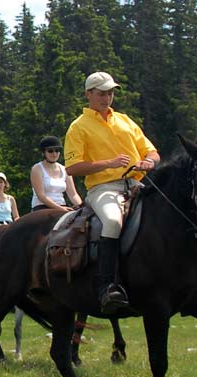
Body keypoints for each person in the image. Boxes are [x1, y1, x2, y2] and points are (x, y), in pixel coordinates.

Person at [63, 71, 159, 313]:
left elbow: (152, 151)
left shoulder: (125, 120)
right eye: (101, 93)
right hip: (103, 188)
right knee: (113, 222)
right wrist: (108, 163)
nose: (107, 97)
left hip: (136, 185)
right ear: (88, 94)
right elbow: (73, 168)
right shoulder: (79, 127)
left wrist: (148, 162)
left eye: (111, 92)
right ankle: (106, 286)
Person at [30, 136, 83, 213]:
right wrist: (60, 209)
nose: (54, 154)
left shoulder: (65, 169)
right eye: (50, 151)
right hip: (42, 207)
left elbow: (73, 194)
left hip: (62, 206)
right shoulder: (37, 169)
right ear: (43, 153)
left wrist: (81, 206)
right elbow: (41, 196)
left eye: (57, 150)